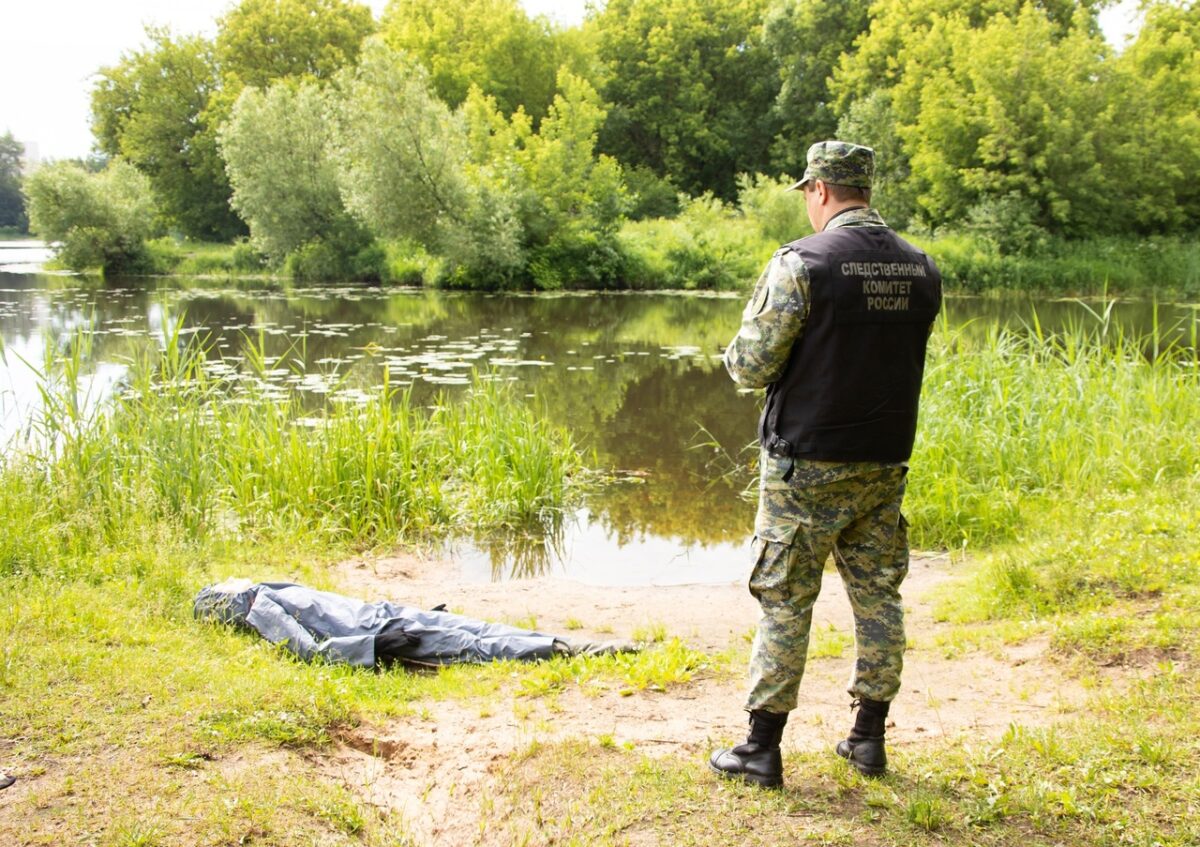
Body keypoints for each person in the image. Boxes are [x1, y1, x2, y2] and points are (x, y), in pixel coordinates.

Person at [709, 141, 942, 788]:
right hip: (884, 462)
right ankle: (867, 739)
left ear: (819, 190)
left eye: (808, 194)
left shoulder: (802, 263)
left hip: (805, 464)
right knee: (878, 595)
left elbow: (749, 366)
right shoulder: (922, 269)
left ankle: (761, 747)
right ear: (864, 189)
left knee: (785, 597)